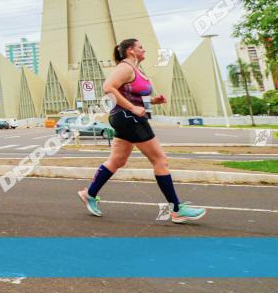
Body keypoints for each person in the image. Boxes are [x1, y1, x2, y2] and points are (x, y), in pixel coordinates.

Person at [77, 38, 206, 224]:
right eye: (141, 47)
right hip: (129, 118)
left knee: (118, 160)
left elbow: (132, 94)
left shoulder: (135, 69)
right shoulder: (125, 68)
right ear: (131, 51)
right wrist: (132, 108)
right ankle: (177, 209)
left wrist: (153, 101)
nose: (144, 50)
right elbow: (108, 88)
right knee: (160, 160)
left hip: (124, 118)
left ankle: (89, 194)